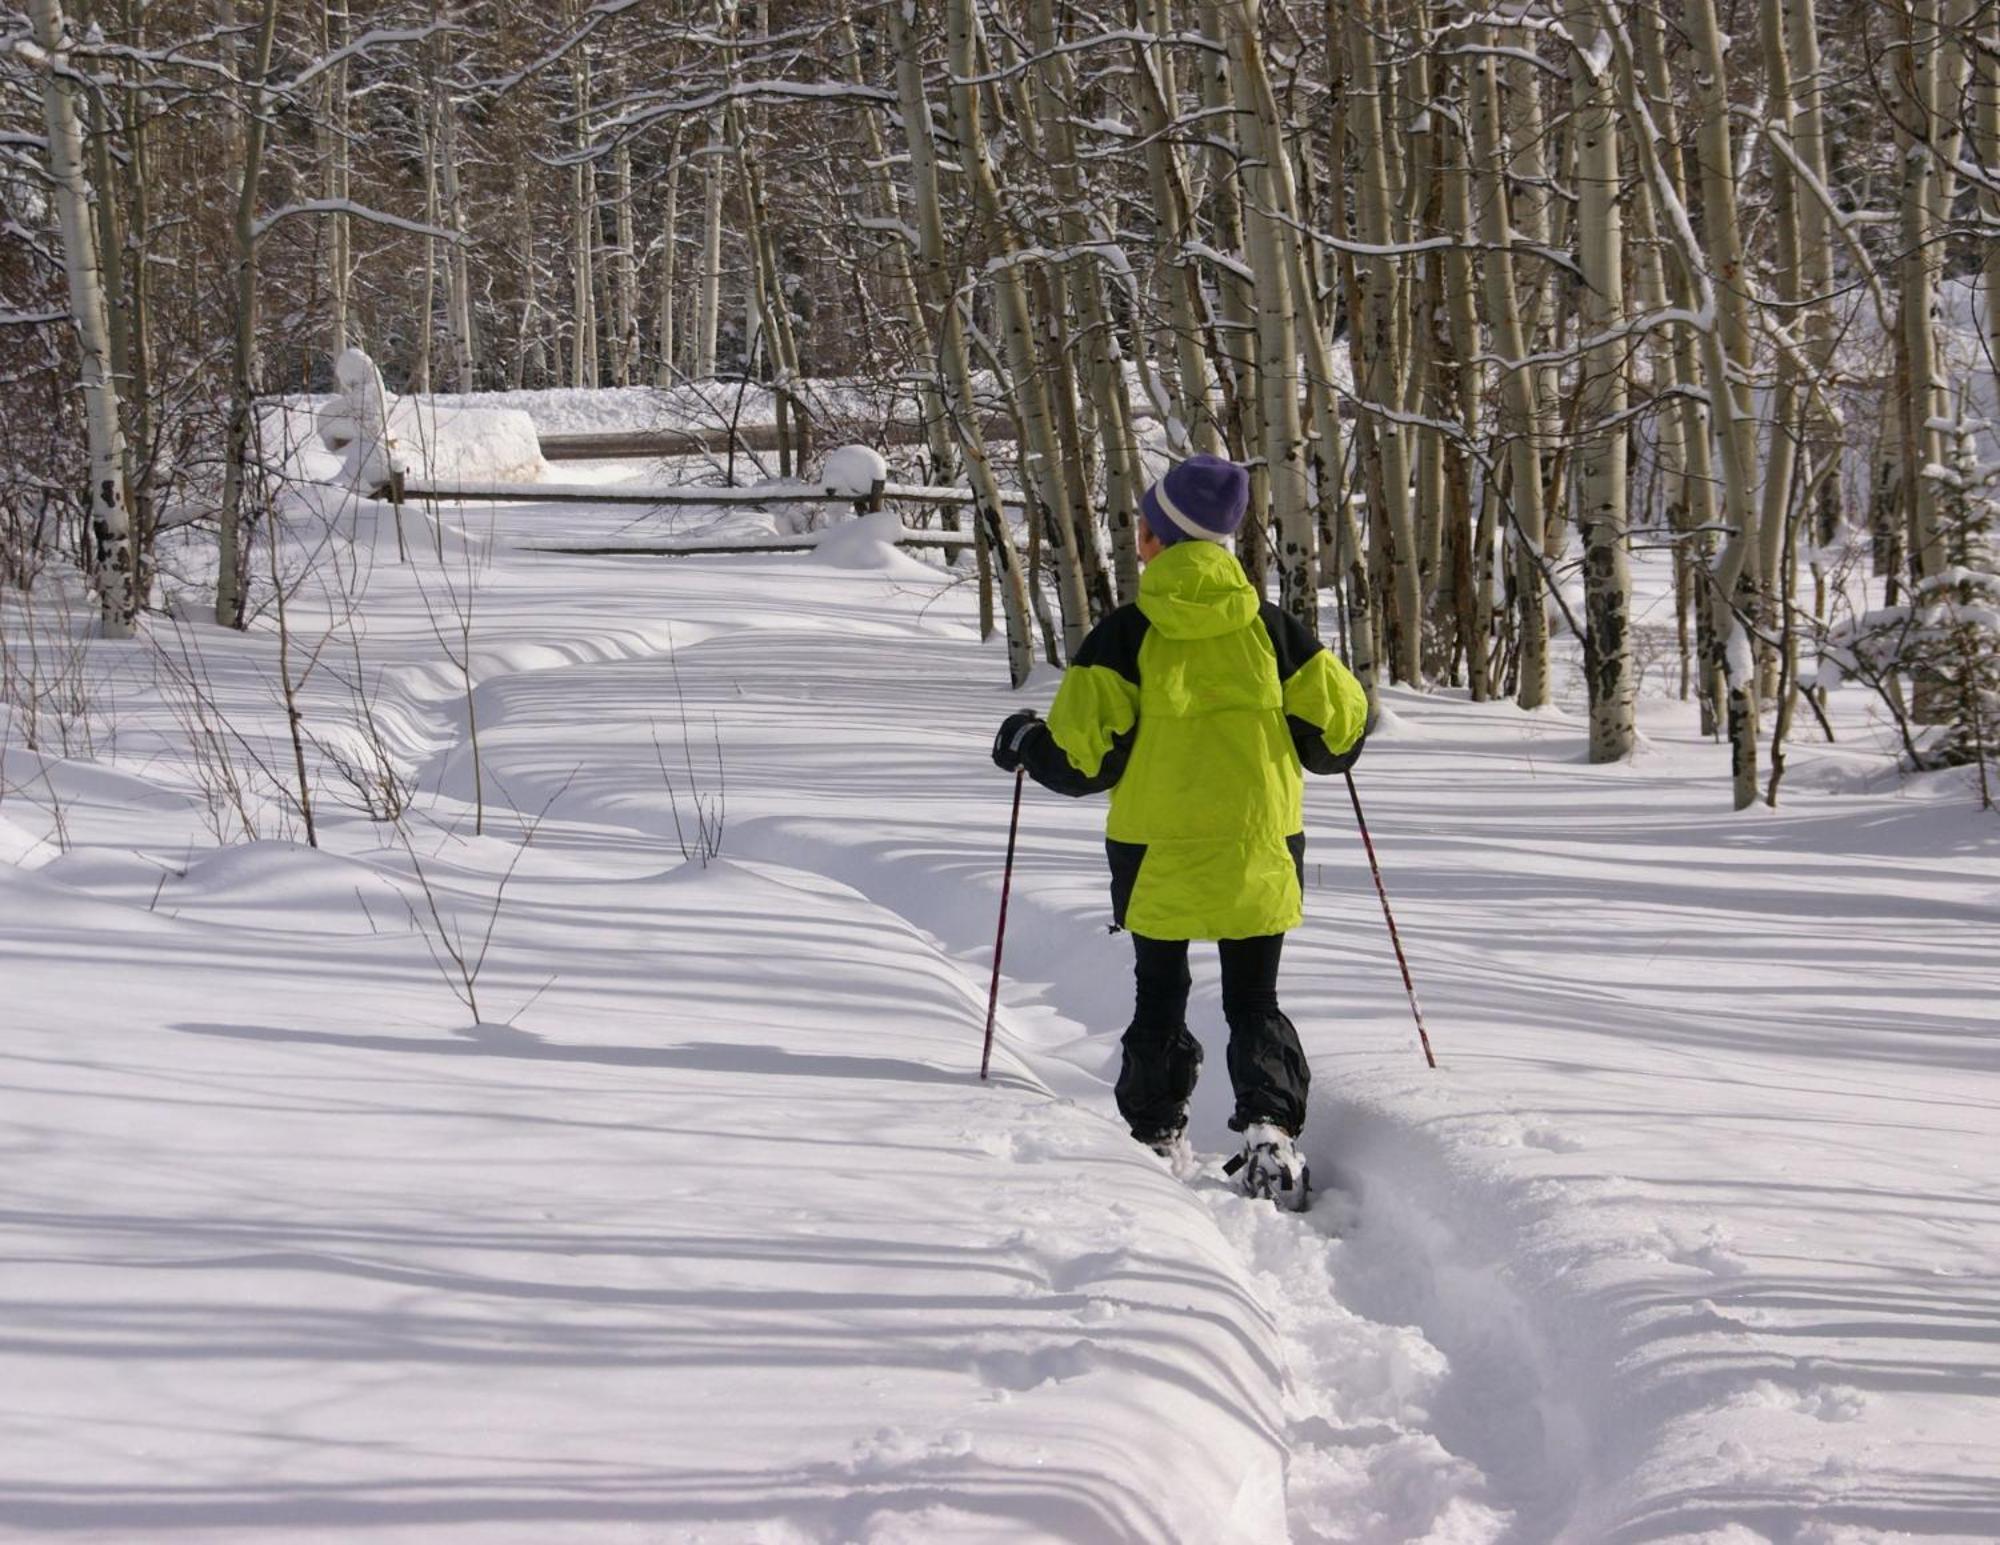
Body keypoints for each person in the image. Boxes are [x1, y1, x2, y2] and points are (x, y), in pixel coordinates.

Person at [991, 453, 1370, 1209]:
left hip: (1153, 849)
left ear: (1160, 537)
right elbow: (1340, 734)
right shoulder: (1275, 631)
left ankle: (1156, 1133)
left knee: (1158, 991)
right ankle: (1269, 1129)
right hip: (1258, 845)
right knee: (1253, 998)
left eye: (1144, 524)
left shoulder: (1125, 635)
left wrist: (1024, 743)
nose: (1138, 535)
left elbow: (1078, 759)